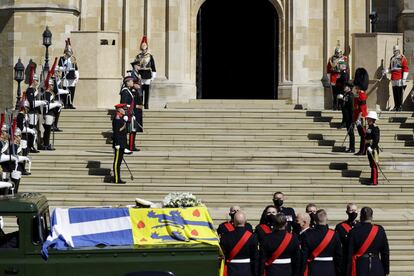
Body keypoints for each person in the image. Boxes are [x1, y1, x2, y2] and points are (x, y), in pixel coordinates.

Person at [346, 207, 389, 276]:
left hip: (360, 266)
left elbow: (349, 254)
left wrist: (348, 272)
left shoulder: (354, 231)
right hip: (376, 266)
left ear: (360, 217)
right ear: (371, 217)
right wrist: (386, 270)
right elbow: (385, 253)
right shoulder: (380, 230)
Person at [301, 209, 342, 276]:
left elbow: (304, 256)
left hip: (313, 267)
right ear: (327, 219)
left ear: (314, 220)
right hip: (330, 268)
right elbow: (338, 256)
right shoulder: (334, 234)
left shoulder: (307, 234)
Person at [220, 211, 258, 276]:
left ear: (233, 222)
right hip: (247, 269)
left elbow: (223, 255)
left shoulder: (225, 236)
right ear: (245, 221)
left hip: (231, 269)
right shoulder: (252, 236)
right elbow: (255, 257)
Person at [384, 44, 409, 111]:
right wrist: (386, 71)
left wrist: (404, 78)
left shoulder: (403, 58)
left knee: (399, 92)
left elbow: (405, 68)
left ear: (398, 50)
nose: (395, 52)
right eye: (394, 50)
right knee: (395, 92)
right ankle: (396, 106)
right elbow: (391, 69)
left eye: (396, 50)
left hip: (399, 77)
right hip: (393, 77)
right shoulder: (392, 58)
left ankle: (399, 106)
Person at [134, 36, 156, 109]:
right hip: (140, 75)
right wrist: (136, 73)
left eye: (145, 49)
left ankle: (146, 105)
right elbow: (135, 65)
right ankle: (140, 104)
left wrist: (153, 76)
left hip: (147, 75)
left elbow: (153, 66)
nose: (144, 50)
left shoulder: (150, 56)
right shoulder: (138, 56)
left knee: (147, 91)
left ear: (147, 49)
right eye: (142, 49)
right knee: (140, 92)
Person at [40, 79, 62, 151]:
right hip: (48, 113)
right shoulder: (47, 94)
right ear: (49, 85)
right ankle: (46, 144)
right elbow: (47, 105)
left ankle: (46, 143)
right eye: (52, 85)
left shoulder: (50, 94)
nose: (53, 86)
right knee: (48, 130)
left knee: (48, 130)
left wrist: (57, 106)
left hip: (51, 113)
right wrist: (56, 104)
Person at [58, 38, 79, 109]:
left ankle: (70, 103)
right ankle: (65, 103)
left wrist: (77, 78)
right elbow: (59, 67)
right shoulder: (62, 58)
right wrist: (65, 68)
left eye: (70, 51)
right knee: (65, 91)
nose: (69, 53)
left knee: (71, 91)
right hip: (65, 77)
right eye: (68, 51)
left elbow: (76, 69)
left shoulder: (73, 59)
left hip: (72, 78)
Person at [327, 45, 349, 110]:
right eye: (337, 53)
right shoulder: (331, 59)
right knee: (334, 93)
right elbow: (328, 70)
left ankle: (340, 106)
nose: (339, 54)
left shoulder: (344, 58)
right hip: (334, 78)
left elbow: (346, 69)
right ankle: (335, 106)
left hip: (342, 78)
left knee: (341, 92)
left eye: (339, 53)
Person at [353, 68, 369, 156]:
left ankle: (363, 151)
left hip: (361, 118)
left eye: (356, 87)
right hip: (358, 117)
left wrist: (358, 119)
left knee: (363, 135)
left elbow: (362, 108)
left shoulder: (362, 94)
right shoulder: (359, 94)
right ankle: (362, 150)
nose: (355, 88)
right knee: (362, 135)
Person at [120, 75, 138, 151]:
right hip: (128, 113)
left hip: (131, 113)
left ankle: (131, 146)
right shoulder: (125, 91)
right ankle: (130, 146)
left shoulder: (129, 90)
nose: (132, 82)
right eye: (131, 81)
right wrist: (126, 114)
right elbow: (123, 104)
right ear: (127, 82)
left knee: (132, 130)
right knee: (130, 131)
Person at [112, 103, 128, 184]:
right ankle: (116, 179)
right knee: (117, 163)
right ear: (119, 111)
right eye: (123, 109)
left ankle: (118, 178)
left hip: (122, 144)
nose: (124, 110)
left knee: (119, 162)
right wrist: (117, 143)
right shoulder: (117, 119)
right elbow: (116, 133)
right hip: (118, 144)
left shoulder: (121, 119)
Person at [365, 111, 381, 185]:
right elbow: (365, 137)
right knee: (371, 164)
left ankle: (374, 180)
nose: (367, 119)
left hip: (373, 149)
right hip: (368, 148)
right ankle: (372, 179)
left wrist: (372, 147)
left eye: (368, 118)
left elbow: (376, 139)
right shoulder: (369, 127)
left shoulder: (375, 128)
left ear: (371, 119)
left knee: (374, 165)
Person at [342, 81, 355, 153]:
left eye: (346, 87)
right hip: (346, 117)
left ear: (349, 88)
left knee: (351, 133)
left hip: (350, 117)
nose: (344, 87)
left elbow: (351, 108)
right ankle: (350, 147)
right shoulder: (346, 94)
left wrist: (352, 119)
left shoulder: (350, 95)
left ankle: (352, 148)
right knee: (349, 133)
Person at [132, 78, 144, 150]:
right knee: (132, 131)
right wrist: (136, 106)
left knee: (134, 131)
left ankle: (132, 145)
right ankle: (131, 146)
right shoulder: (132, 91)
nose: (139, 85)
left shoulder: (136, 91)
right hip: (134, 113)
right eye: (138, 84)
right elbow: (128, 103)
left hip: (137, 112)